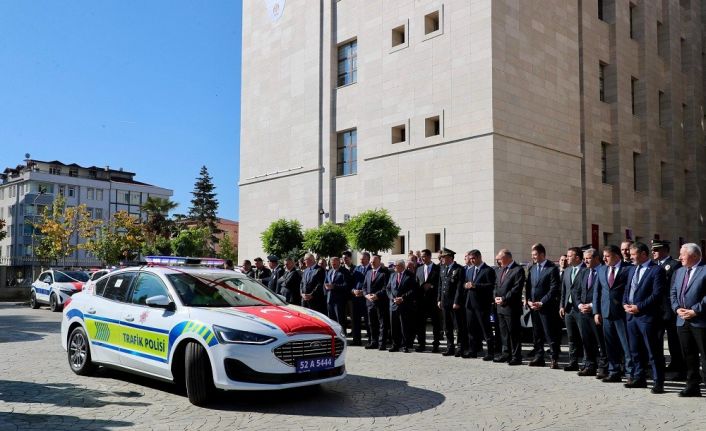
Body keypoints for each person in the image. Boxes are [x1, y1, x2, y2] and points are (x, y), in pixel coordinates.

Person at [623, 241, 667, 394]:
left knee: (653, 351)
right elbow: (627, 290)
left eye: (633, 254)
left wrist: (639, 307)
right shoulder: (631, 270)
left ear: (643, 254)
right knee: (635, 350)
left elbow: (657, 294)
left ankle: (658, 382)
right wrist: (625, 304)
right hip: (631, 317)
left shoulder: (656, 270)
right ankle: (639, 378)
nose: (630, 257)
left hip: (647, 318)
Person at [593, 245, 634, 383]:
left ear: (617, 256)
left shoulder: (628, 269)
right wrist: (596, 311)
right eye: (603, 256)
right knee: (609, 345)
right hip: (605, 312)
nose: (604, 258)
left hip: (622, 313)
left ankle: (630, 373)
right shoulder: (601, 270)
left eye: (607, 256)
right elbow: (597, 292)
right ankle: (613, 371)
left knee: (626, 345)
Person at [671, 243, 706, 397]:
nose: (679, 258)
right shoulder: (678, 272)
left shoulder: (704, 270)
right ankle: (692, 385)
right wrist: (677, 308)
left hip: (701, 320)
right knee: (689, 355)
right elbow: (672, 292)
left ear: (694, 256)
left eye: (682, 255)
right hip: (682, 320)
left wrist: (695, 310)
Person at [651, 239, 685, 379]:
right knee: (657, 339)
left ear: (665, 250)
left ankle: (678, 366)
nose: (653, 252)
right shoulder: (653, 265)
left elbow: (674, 287)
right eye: (653, 250)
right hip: (656, 309)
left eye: (657, 250)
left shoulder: (674, 265)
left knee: (673, 340)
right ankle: (660, 364)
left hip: (669, 308)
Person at [525, 243, 562, 369]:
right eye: (532, 255)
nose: (533, 257)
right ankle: (539, 357)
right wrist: (529, 300)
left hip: (547, 308)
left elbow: (554, 288)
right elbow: (529, 286)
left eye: (535, 255)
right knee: (537, 334)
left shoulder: (552, 268)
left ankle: (554, 358)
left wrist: (542, 302)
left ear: (542, 254)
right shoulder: (532, 268)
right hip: (534, 307)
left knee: (550, 333)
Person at [576, 248, 608, 377]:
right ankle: (590, 365)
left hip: (597, 313)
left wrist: (592, 306)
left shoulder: (604, 271)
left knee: (601, 342)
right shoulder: (584, 272)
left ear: (596, 258)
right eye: (584, 258)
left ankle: (604, 367)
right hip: (583, 313)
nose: (585, 261)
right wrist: (579, 305)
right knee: (587, 341)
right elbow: (576, 291)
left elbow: (605, 294)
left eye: (588, 258)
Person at [462, 249, 496, 361]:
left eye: (473, 258)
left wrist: (476, 285)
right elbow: (466, 283)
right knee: (471, 329)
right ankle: (473, 351)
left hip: (482, 305)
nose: (471, 260)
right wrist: (466, 285)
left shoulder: (488, 270)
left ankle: (490, 352)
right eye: (470, 258)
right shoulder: (470, 270)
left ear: (479, 257)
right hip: (470, 304)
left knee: (486, 329)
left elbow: (490, 286)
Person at [493, 249, 525, 365]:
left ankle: (516, 356)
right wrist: (496, 297)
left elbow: (516, 289)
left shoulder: (518, 270)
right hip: (500, 307)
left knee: (514, 333)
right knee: (504, 333)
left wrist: (504, 299)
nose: (498, 261)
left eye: (499, 259)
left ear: (507, 257)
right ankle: (506, 354)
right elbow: (496, 285)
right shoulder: (500, 269)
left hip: (511, 307)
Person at [437, 248, 467, 357]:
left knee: (458, 327)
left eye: (443, 257)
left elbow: (460, 287)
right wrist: (439, 299)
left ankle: (460, 348)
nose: (442, 259)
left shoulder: (459, 269)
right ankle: (450, 347)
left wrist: (457, 301)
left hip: (455, 302)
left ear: (450, 257)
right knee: (447, 326)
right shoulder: (442, 268)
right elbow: (440, 285)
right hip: (445, 302)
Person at [559, 247, 585, 371]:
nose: (567, 258)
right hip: (568, 309)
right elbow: (564, 290)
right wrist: (562, 305)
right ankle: (573, 361)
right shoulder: (567, 270)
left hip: (580, 309)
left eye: (570, 256)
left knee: (584, 336)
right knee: (571, 337)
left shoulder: (585, 270)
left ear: (577, 258)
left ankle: (586, 362)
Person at [415, 249, 442, 353]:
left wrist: (432, 286)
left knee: (436, 324)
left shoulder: (438, 268)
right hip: (421, 302)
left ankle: (436, 345)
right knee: (421, 324)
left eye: (424, 256)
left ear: (430, 256)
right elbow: (416, 284)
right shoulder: (419, 268)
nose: (422, 258)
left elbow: (441, 284)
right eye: (421, 257)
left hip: (433, 301)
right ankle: (421, 344)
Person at [387, 259, 417, 352]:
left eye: (395, 266)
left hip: (405, 305)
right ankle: (395, 345)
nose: (394, 267)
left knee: (404, 326)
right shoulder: (392, 275)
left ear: (401, 266)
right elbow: (388, 289)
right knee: (394, 326)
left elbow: (413, 290)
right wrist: (393, 298)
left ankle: (405, 345)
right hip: (393, 305)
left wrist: (402, 298)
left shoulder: (410, 275)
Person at [364, 254, 391, 350]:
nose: (372, 263)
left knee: (382, 324)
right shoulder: (368, 272)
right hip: (370, 302)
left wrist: (377, 295)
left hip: (381, 302)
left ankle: (381, 344)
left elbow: (386, 287)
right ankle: (373, 342)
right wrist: (366, 295)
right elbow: (364, 287)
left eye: (374, 261)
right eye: (371, 262)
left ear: (379, 261)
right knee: (372, 323)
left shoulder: (385, 272)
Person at [350, 252, 371, 346]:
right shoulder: (356, 269)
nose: (361, 261)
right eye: (360, 259)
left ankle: (371, 340)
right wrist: (353, 290)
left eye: (363, 259)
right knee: (355, 320)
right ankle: (356, 340)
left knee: (368, 320)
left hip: (366, 298)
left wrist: (364, 292)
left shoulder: (371, 269)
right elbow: (351, 282)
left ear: (368, 259)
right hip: (356, 298)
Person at [324, 257, 350, 324]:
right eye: (332, 263)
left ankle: (342, 334)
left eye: (334, 263)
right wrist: (326, 287)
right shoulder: (329, 271)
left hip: (339, 301)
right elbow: (325, 282)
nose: (333, 265)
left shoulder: (345, 271)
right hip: (330, 300)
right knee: (331, 320)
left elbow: (346, 285)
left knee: (340, 320)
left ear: (339, 262)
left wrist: (334, 286)